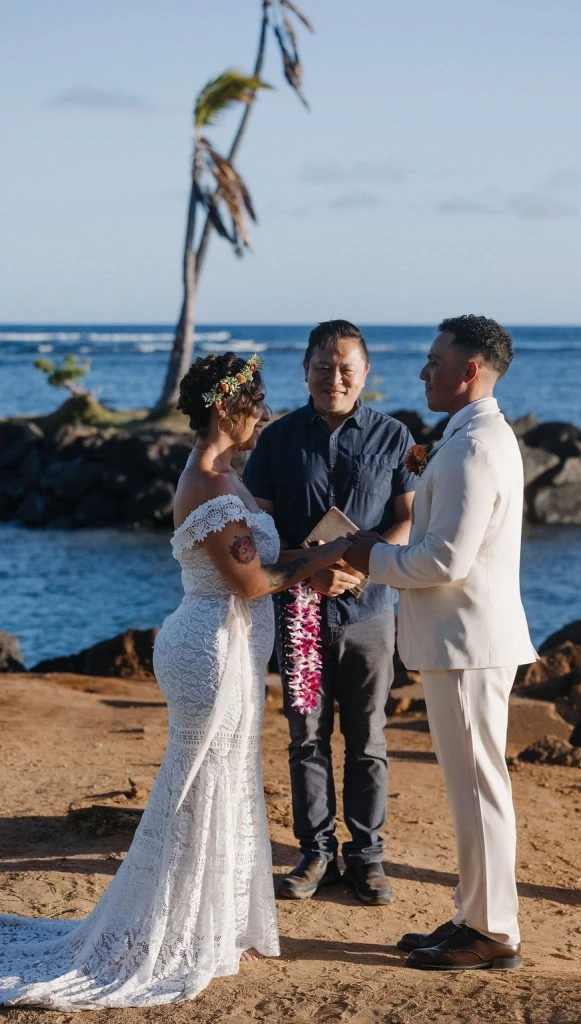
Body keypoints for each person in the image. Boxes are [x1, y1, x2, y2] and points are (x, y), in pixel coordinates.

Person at [0, 352, 349, 1009]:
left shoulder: (229, 478)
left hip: (233, 648)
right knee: (198, 788)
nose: (265, 413)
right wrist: (325, 557)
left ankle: (214, 928)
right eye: (256, 401)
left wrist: (318, 556)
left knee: (228, 782)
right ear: (225, 406)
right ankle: (175, 936)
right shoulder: (210, 484)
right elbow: (251, 581)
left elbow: (267, 561)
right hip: (210, 650)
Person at [344, 315, 537, 970]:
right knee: (468, 787)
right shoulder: (468, 437)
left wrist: (365, 553)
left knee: (479, 787)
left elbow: (443, 562)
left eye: (433, 360)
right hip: (462, 641)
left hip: (468, 643)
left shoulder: (474, 446)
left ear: (469, 371)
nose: (423, 371)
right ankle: (472, 916)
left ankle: (493, 930)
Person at [244, 320, 415, 906]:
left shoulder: (396, 437)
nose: (334, 377)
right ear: (306, 370)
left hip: (371, 613)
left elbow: (407, 519)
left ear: (365, 373)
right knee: (307, 737)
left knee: (368, 739)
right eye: (323, 366)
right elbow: (260, 535)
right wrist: (308, 570)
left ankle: (367, 858)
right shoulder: (277, 440)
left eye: (346, 367)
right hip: (301, 616)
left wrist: (363, 566)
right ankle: (316, 851)